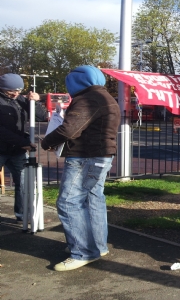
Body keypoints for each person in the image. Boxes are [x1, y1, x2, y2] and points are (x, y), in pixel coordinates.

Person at [41, 65, 120, 271]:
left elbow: (69, 129)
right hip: (101, 155)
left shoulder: (87, 99)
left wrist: (46, 142)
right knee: (94, 199)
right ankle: (97, 246)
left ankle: (84, 251)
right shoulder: (105, 97)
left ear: (75, 82)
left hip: (85, 156)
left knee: (68, 202)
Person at [0, 73, 48, 222]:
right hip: (4, 147)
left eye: (19, 90)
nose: (15, 93)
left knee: (23, 182)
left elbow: (41, 117)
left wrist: (35, 102)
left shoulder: (20, 100)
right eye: (11, 91)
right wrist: (22, 142)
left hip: (17, 150)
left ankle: (22, 214)